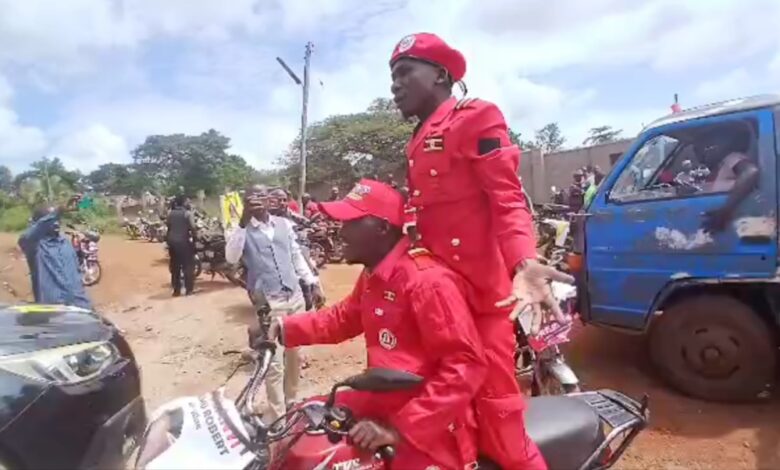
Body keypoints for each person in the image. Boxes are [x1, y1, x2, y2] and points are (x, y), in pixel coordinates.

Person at [390, 32, 572, 469]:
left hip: (482, 302)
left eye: (404, 72)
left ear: (440, 75)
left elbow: (507, 199)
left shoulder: (476, 116)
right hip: (440, 304)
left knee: (501, 421)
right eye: (392, 77)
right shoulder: (417, 139)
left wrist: (524, 261)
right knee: (450, 419)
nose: (394, 85)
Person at [261, 179, 487, 469]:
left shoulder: (426, 282)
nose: (340, 231)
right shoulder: (375, 275)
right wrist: (285, 327)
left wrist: (398, 430)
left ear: (382, 228)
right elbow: (344, 317)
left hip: (430, 429)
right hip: (385, 402)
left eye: (351, 222)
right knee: (304, 426)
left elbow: (465, 367)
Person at [226, 185, 324, 423]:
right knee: (274, 362)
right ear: (246, 202)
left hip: (294, 297)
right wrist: (243, 221)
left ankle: (291, 401)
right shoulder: (241, 230)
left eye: (263, 195)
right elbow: (231, 257)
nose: (259, 200)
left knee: (295, 356)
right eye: (253, 197)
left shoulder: (284, 224)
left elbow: (295, 256)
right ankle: (278, 414)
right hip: (270, 302)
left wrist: (313, 282)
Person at [18, 195, 93, 310]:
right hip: (53, 309)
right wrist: (59, 211)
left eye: (58, 220)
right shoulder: (34, 244)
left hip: (80, 305)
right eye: (52, 220)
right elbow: (30, 234)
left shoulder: (66, 243)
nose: (56, 223)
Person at [696, 130, 759, 232]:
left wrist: (725, 211)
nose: (706, 152)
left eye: (710, 147)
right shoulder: (721, 165)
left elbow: (751, 172)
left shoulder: (732, 157)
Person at [165, 195, 198, 297]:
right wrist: (195, 239)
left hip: (172, 243)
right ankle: (189, 290)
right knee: (188, 266)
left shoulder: (170, 213)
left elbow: (168, 226)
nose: (189, 203)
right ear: (183, 203)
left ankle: (176, 291)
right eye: (187, 202)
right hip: (184, 242)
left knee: (175, 267)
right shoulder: (187, 214)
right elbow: (193, 227)